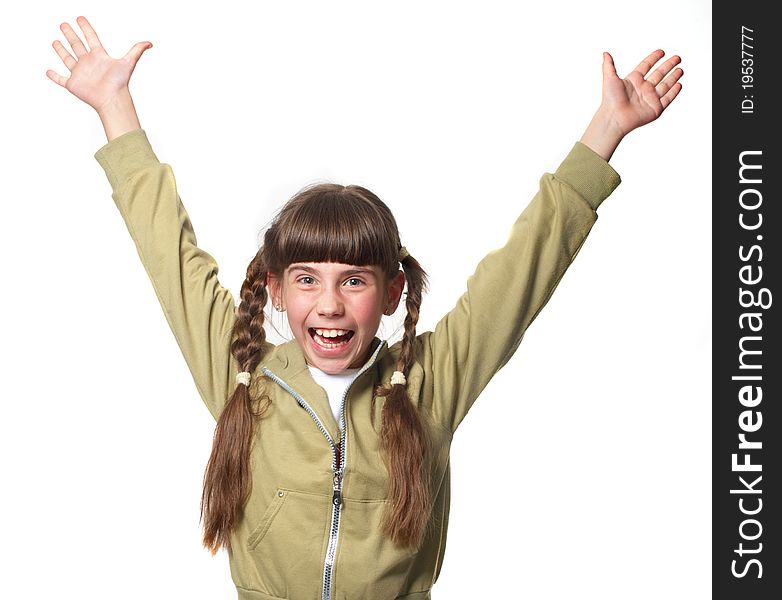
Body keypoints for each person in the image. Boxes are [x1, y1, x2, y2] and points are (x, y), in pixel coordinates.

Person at [46, 15, 683, 600]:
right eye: (305, 280)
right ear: (274, 289)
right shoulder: (243, 374)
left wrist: (606, 132)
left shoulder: (432, 381)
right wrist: (114, 107)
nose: (329, 304)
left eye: (354, 280)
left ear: (393, 292)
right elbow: (168, 253)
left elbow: (524, 267)